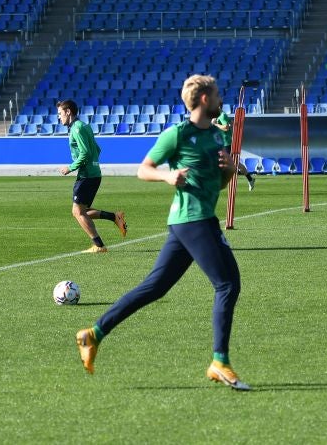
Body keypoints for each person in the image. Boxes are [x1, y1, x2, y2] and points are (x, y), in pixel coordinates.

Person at [76, 74, 248, 390]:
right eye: (217, 94)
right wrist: (167, 177)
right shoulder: (177, 134)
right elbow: (144, 170)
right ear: (205, 99)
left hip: (193, 221)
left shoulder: (216, 136)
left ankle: (93, 334)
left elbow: (219, 184)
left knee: (155, 287)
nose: (221, 99)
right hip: (193, 221)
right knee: (227, 284)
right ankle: (220, 362)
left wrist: (228, 170)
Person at [58, 100, 127, 253]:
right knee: (82, 211)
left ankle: (99, 245)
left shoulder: (77, 128)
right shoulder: (84, 126)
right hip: (92, 173)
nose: (59, 117)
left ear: (68, 112)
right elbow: (97, 149)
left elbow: (86, 153)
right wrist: (93, 164)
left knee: (77, 212)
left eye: (60, 113)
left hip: (87, 175)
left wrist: (70, 167)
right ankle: (115, 217)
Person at [213, 107, 255, 191]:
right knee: (234, 163)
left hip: (227, 144)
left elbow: (226, 128)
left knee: (234, 164)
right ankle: (250, 179)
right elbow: (229, 124)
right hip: (222, 143)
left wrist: (216, 124)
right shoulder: (218, 116)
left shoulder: (222, 115)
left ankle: (248, 179)